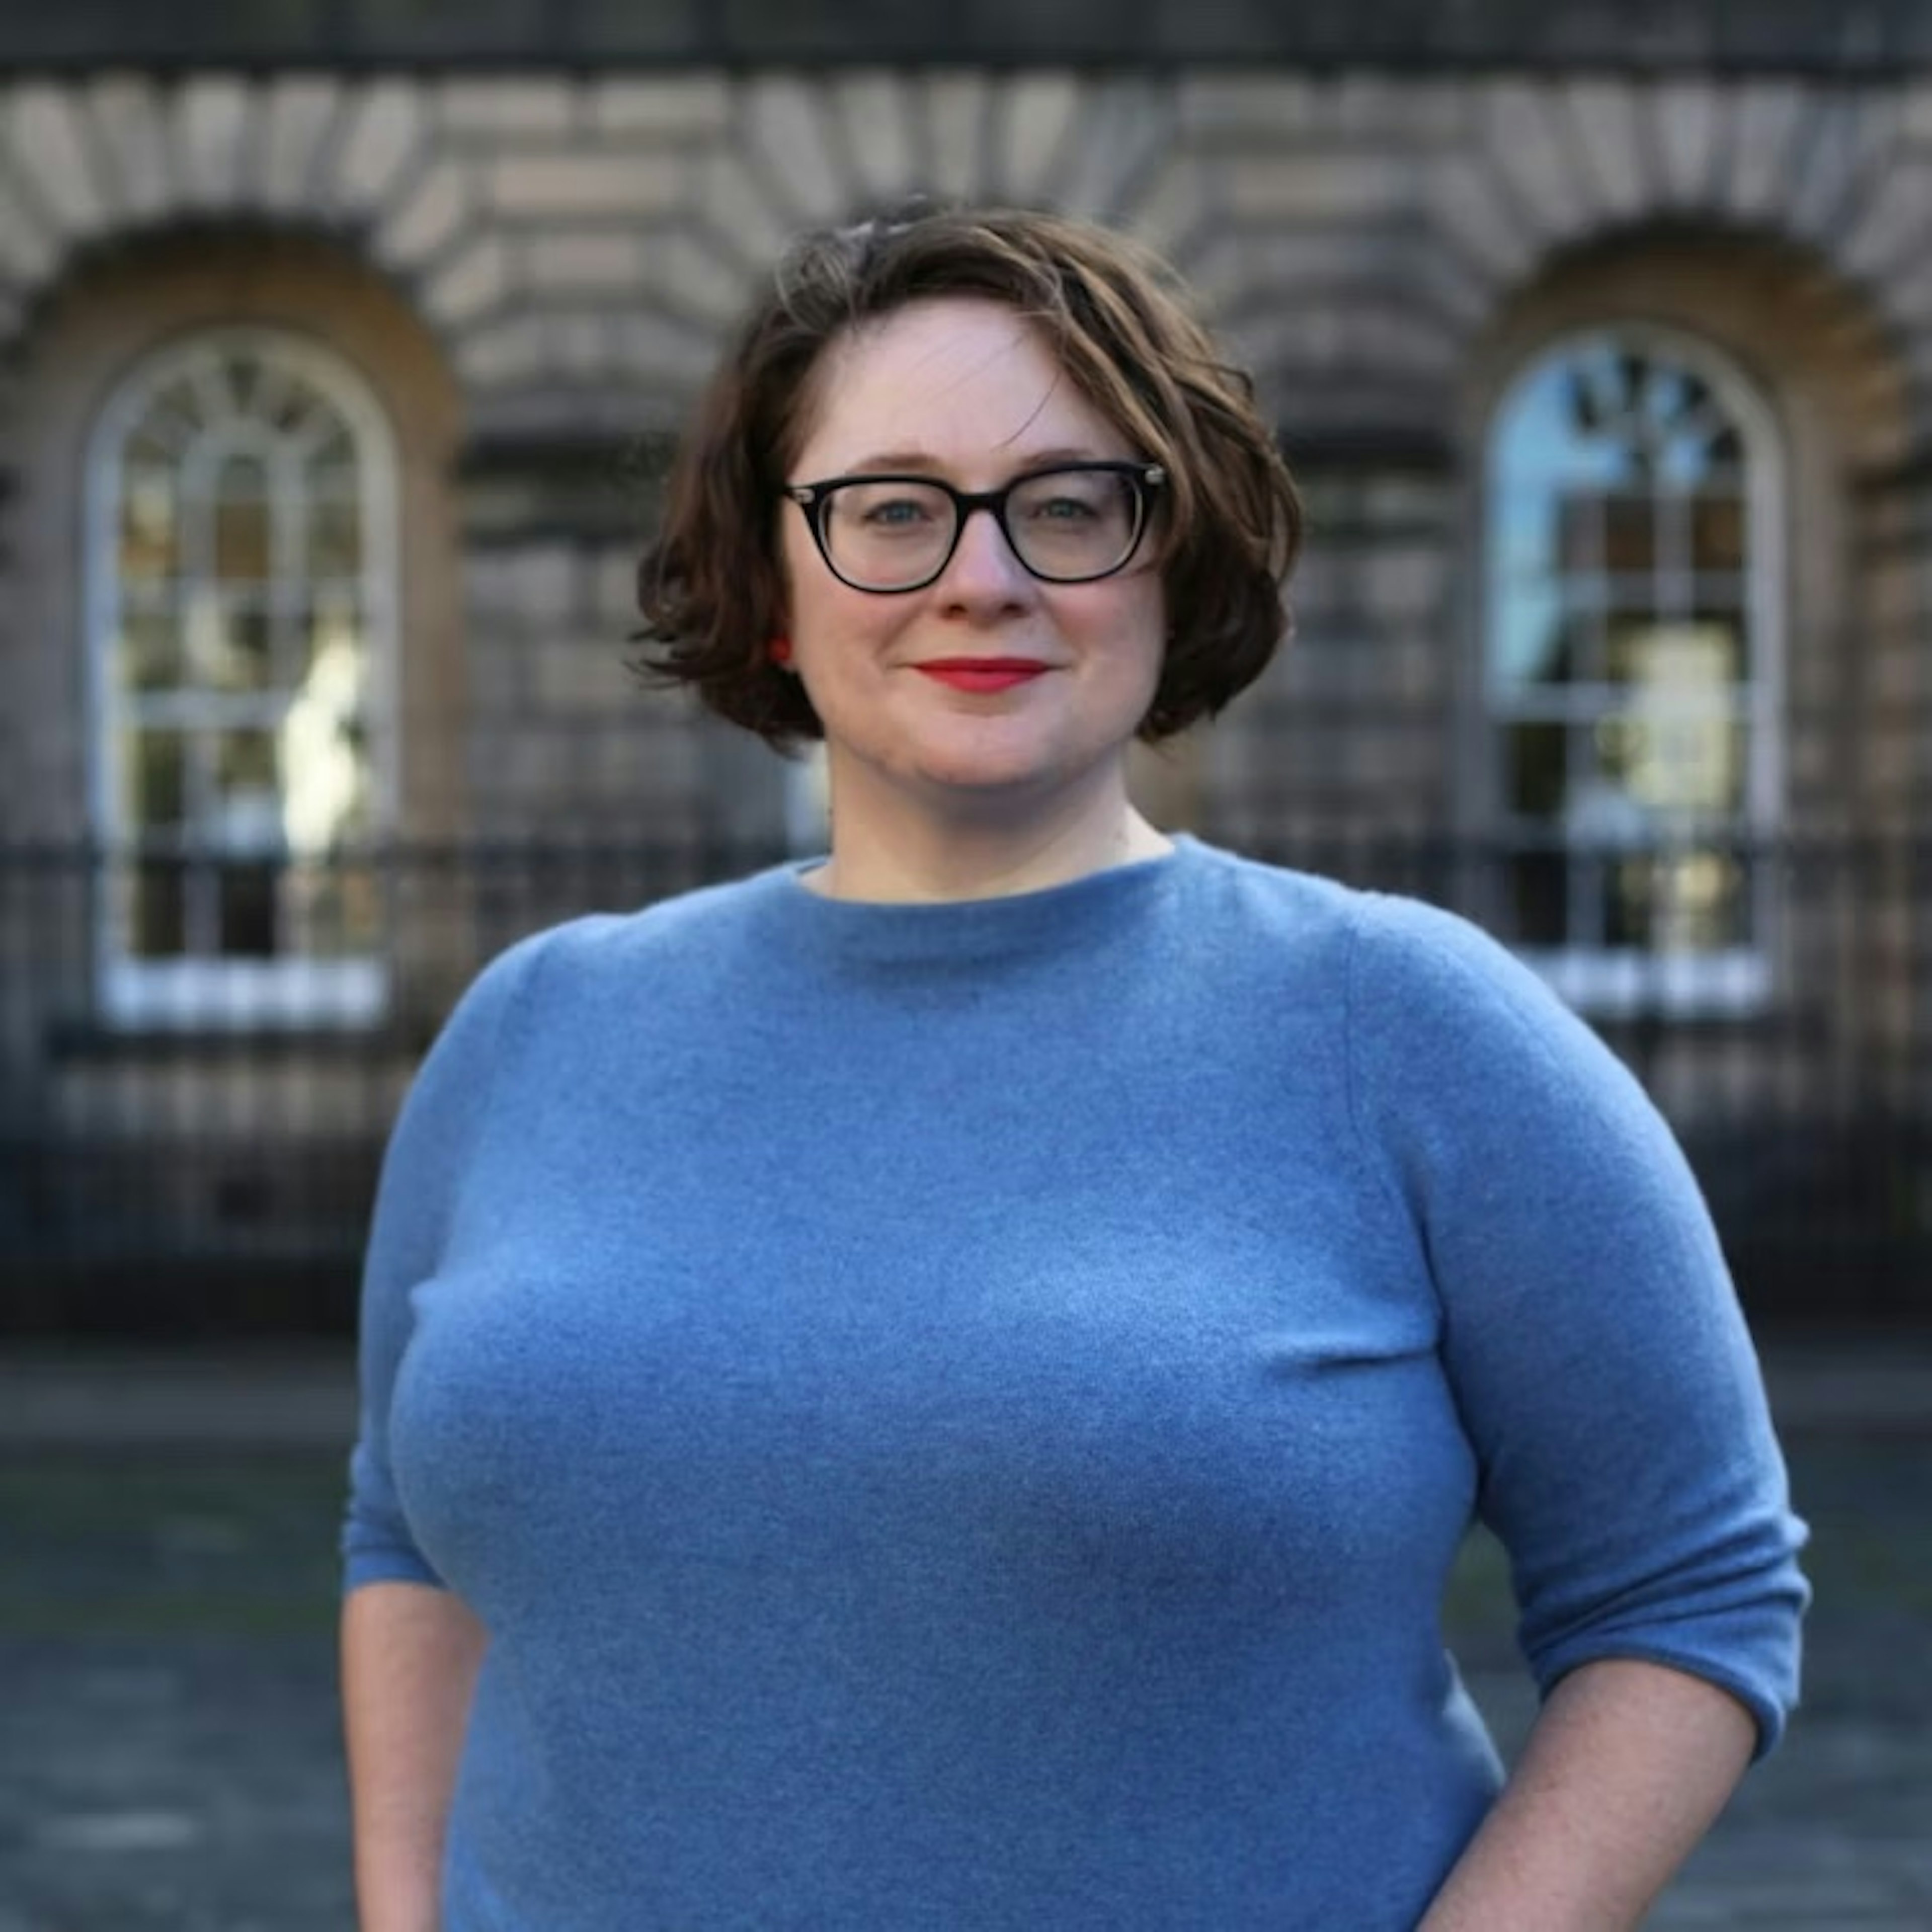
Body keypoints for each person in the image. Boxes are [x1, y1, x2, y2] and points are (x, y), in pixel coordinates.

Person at [340, 203, 1808, 1931]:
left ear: (1166, 567)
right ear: (774, 591)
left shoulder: (1405, 1025)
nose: (986, 573)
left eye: (1071, 505)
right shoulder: (536, 1028)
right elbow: (408, 1541)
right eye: (891, 507)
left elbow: (1690, 1594)